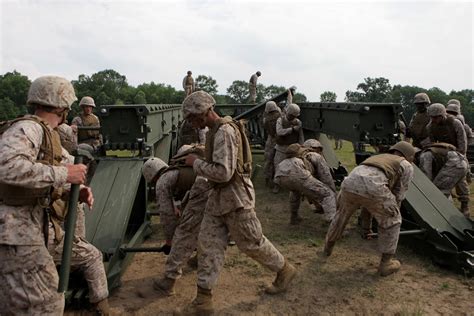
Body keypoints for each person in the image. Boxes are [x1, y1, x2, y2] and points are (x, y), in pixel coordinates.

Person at [177, 91, 296, 315]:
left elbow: (223, 172)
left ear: (205, 112)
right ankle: (203, 300)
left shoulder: (224, 132)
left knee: (252, 243)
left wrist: (196, 163)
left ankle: (284, 269)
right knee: (208, 244)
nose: (191, 122)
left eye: (192, 117)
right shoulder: (214, 131)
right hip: (218, 198)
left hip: (236, 198)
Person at [0, 76, 92, 314]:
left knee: (20, 305)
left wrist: (76, 189)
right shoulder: (28, 128)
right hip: (15, 232)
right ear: (63, 106)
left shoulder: (46, 133)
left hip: (25, 229)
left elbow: (42, 176)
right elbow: (6, 167)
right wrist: (63, 174)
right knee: (48, 302)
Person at [324, 141, 415, 277]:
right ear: (409, 156)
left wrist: (367, 228)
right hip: (374, 186)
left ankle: (328, 247)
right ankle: (386, 264)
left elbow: (367, 200)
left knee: (341, 215)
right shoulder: (406, 165)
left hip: (350, 182)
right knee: (393, 220)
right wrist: (393, 210)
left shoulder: (378, 157)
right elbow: (399, 195)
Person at [48, 124, 109, 314]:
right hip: (35, 236)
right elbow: (71, 193)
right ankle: (102, 308)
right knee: (92, 256)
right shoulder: (60, 160)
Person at [143, 144, 211, 297]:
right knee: (204, 227)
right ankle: (200, 258)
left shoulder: (162, 181)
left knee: (183, 234)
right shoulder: (177, 171)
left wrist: (169, 240)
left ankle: (169, 281)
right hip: (214, 187)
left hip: (203, 192)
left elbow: (166, 216)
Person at [421, 103, 469, 217]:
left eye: (436, 117)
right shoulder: (430, 127)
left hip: (458, 153)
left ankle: (465, 205)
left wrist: (459, 154)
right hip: (442, 153)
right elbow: (433, 144)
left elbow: (463, 142)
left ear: (443, 115)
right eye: (432, 117)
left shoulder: (455, 123)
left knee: (461, 180)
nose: (434, 120)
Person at [274, 140, 336, 224]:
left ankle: (294, 217)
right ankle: (333, 223)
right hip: (298, 173)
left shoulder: (297, 155)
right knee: (328, 194)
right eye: (318, 149)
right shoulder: (315, 155)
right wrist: (333, 192)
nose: (319, 151)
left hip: (280, 173)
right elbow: (326, 176)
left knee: (295, 191)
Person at [273, 96, 304, 193]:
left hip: (293, 148)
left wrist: (301, 146)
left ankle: (293, 186)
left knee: (295, 168)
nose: (293, 117)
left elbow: (300, 135)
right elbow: (279, 132)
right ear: (288, 113)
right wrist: (291, 129)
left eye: (295, 116)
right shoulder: (280, 120)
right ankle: (277, 185)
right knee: (278, 166)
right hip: (281, 148)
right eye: (292, 115)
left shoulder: (298, 122)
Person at [262, 101, 282, 188]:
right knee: (278, 161)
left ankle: (267, 179)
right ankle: (276, 183)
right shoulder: (280, 116)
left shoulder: (265, 119)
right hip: (279, 140)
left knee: (268, 160)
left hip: (270, 140)